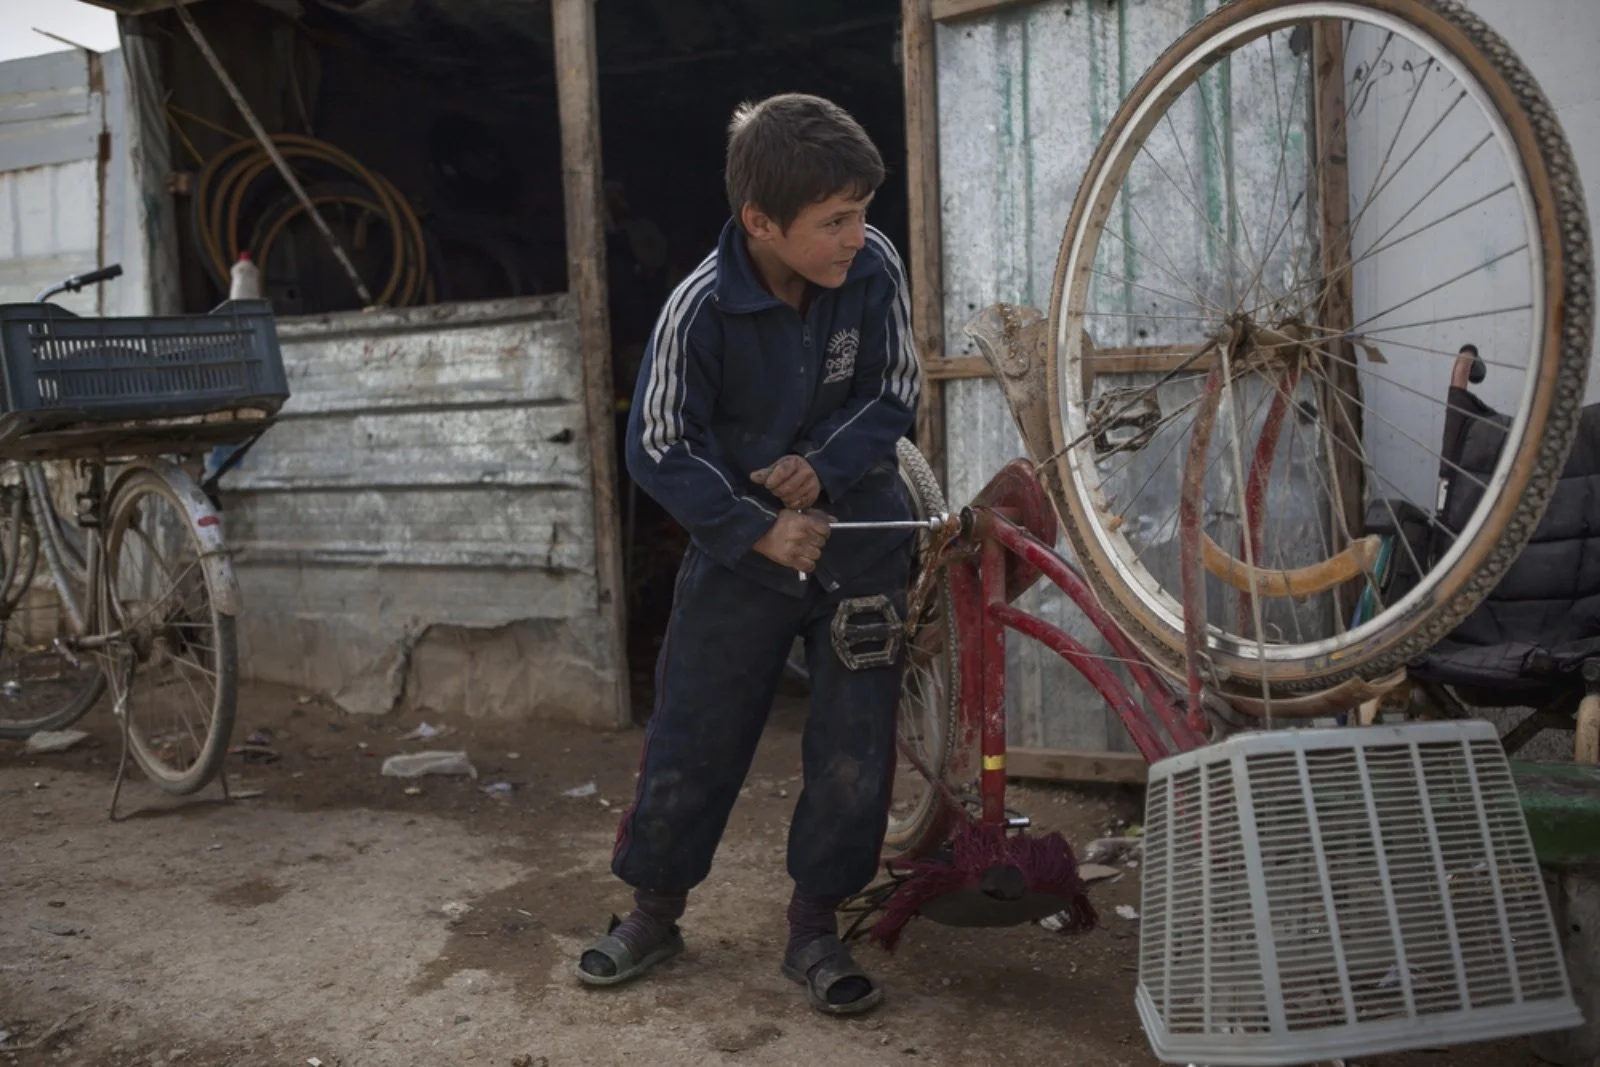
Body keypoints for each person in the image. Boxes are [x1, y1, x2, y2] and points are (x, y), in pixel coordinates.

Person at [575, 93, 922, 1017]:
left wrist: (824, 466)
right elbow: (655, 446)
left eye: (862, 212)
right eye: (835, 221)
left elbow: (895, 392)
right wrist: (757, 526)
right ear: (760, 223)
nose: (858, 236)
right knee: (695, 729)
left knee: (854, 745)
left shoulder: (874, 267)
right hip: (741, 551)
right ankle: (654, 908)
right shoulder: (700, 308)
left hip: (860, 542)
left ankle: (815, 927)